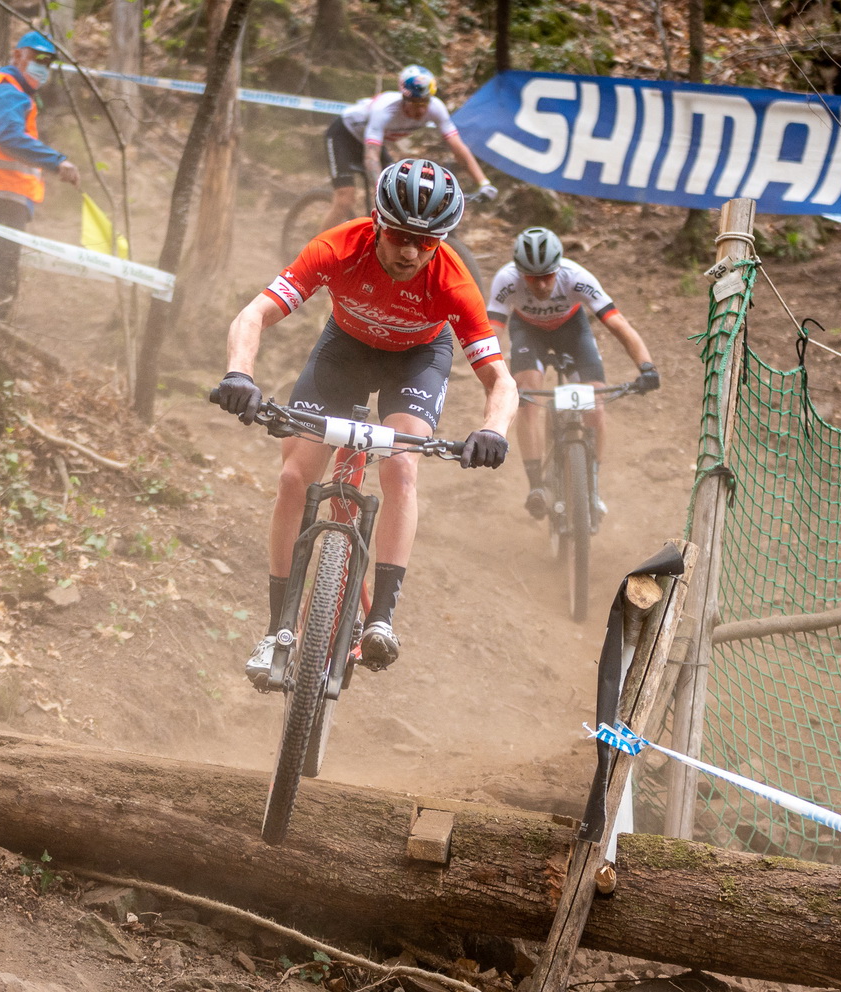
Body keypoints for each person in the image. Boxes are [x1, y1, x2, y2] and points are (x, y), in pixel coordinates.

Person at [217, 158, 516, 683]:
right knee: (294, 477)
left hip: (416, 361)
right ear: (377, 220)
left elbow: (501, 382)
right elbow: (254, 314)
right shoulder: (337, 247)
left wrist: (493, 430)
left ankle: (381, 618)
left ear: (441, 242)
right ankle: (276, 630)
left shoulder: (453, 282)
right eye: (400, 234)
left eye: (426, 243)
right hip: (344, 352)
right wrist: (239, 374)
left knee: (400, 468)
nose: (409, 251)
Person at [486, 227, 658, 520]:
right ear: (520, 272)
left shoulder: (577, 277)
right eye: (532, 277)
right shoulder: (506, 280)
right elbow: (491, 336)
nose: (540, 285)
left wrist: (646, 366)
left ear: (558, 269)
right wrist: (494, 380)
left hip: (572, 330)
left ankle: (591, 487)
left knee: (595, 405)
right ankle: (536, 487)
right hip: (528, 332)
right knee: (526, 396)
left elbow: (619, 325)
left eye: (547, 276)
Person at [319, 65, 496, 232]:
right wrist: (378, 189)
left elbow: (458, 148)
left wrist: (483, 182)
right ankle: (316, 251)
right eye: (415, 103)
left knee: (400, 194)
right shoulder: (385, 110)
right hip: (344, 135)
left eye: (424, 102)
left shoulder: (436, 108)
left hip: (374, 144)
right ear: (404, 98)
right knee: (345, 198)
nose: (420, 110)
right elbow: (371, 157)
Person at [0, 29, 81, 319]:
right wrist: (57, 162)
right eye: (37, 58)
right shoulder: (9, 89)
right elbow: (9, 137)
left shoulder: (14, 91)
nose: (42, 66)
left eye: (48, 62)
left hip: (3, 194)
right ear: (17, 56)